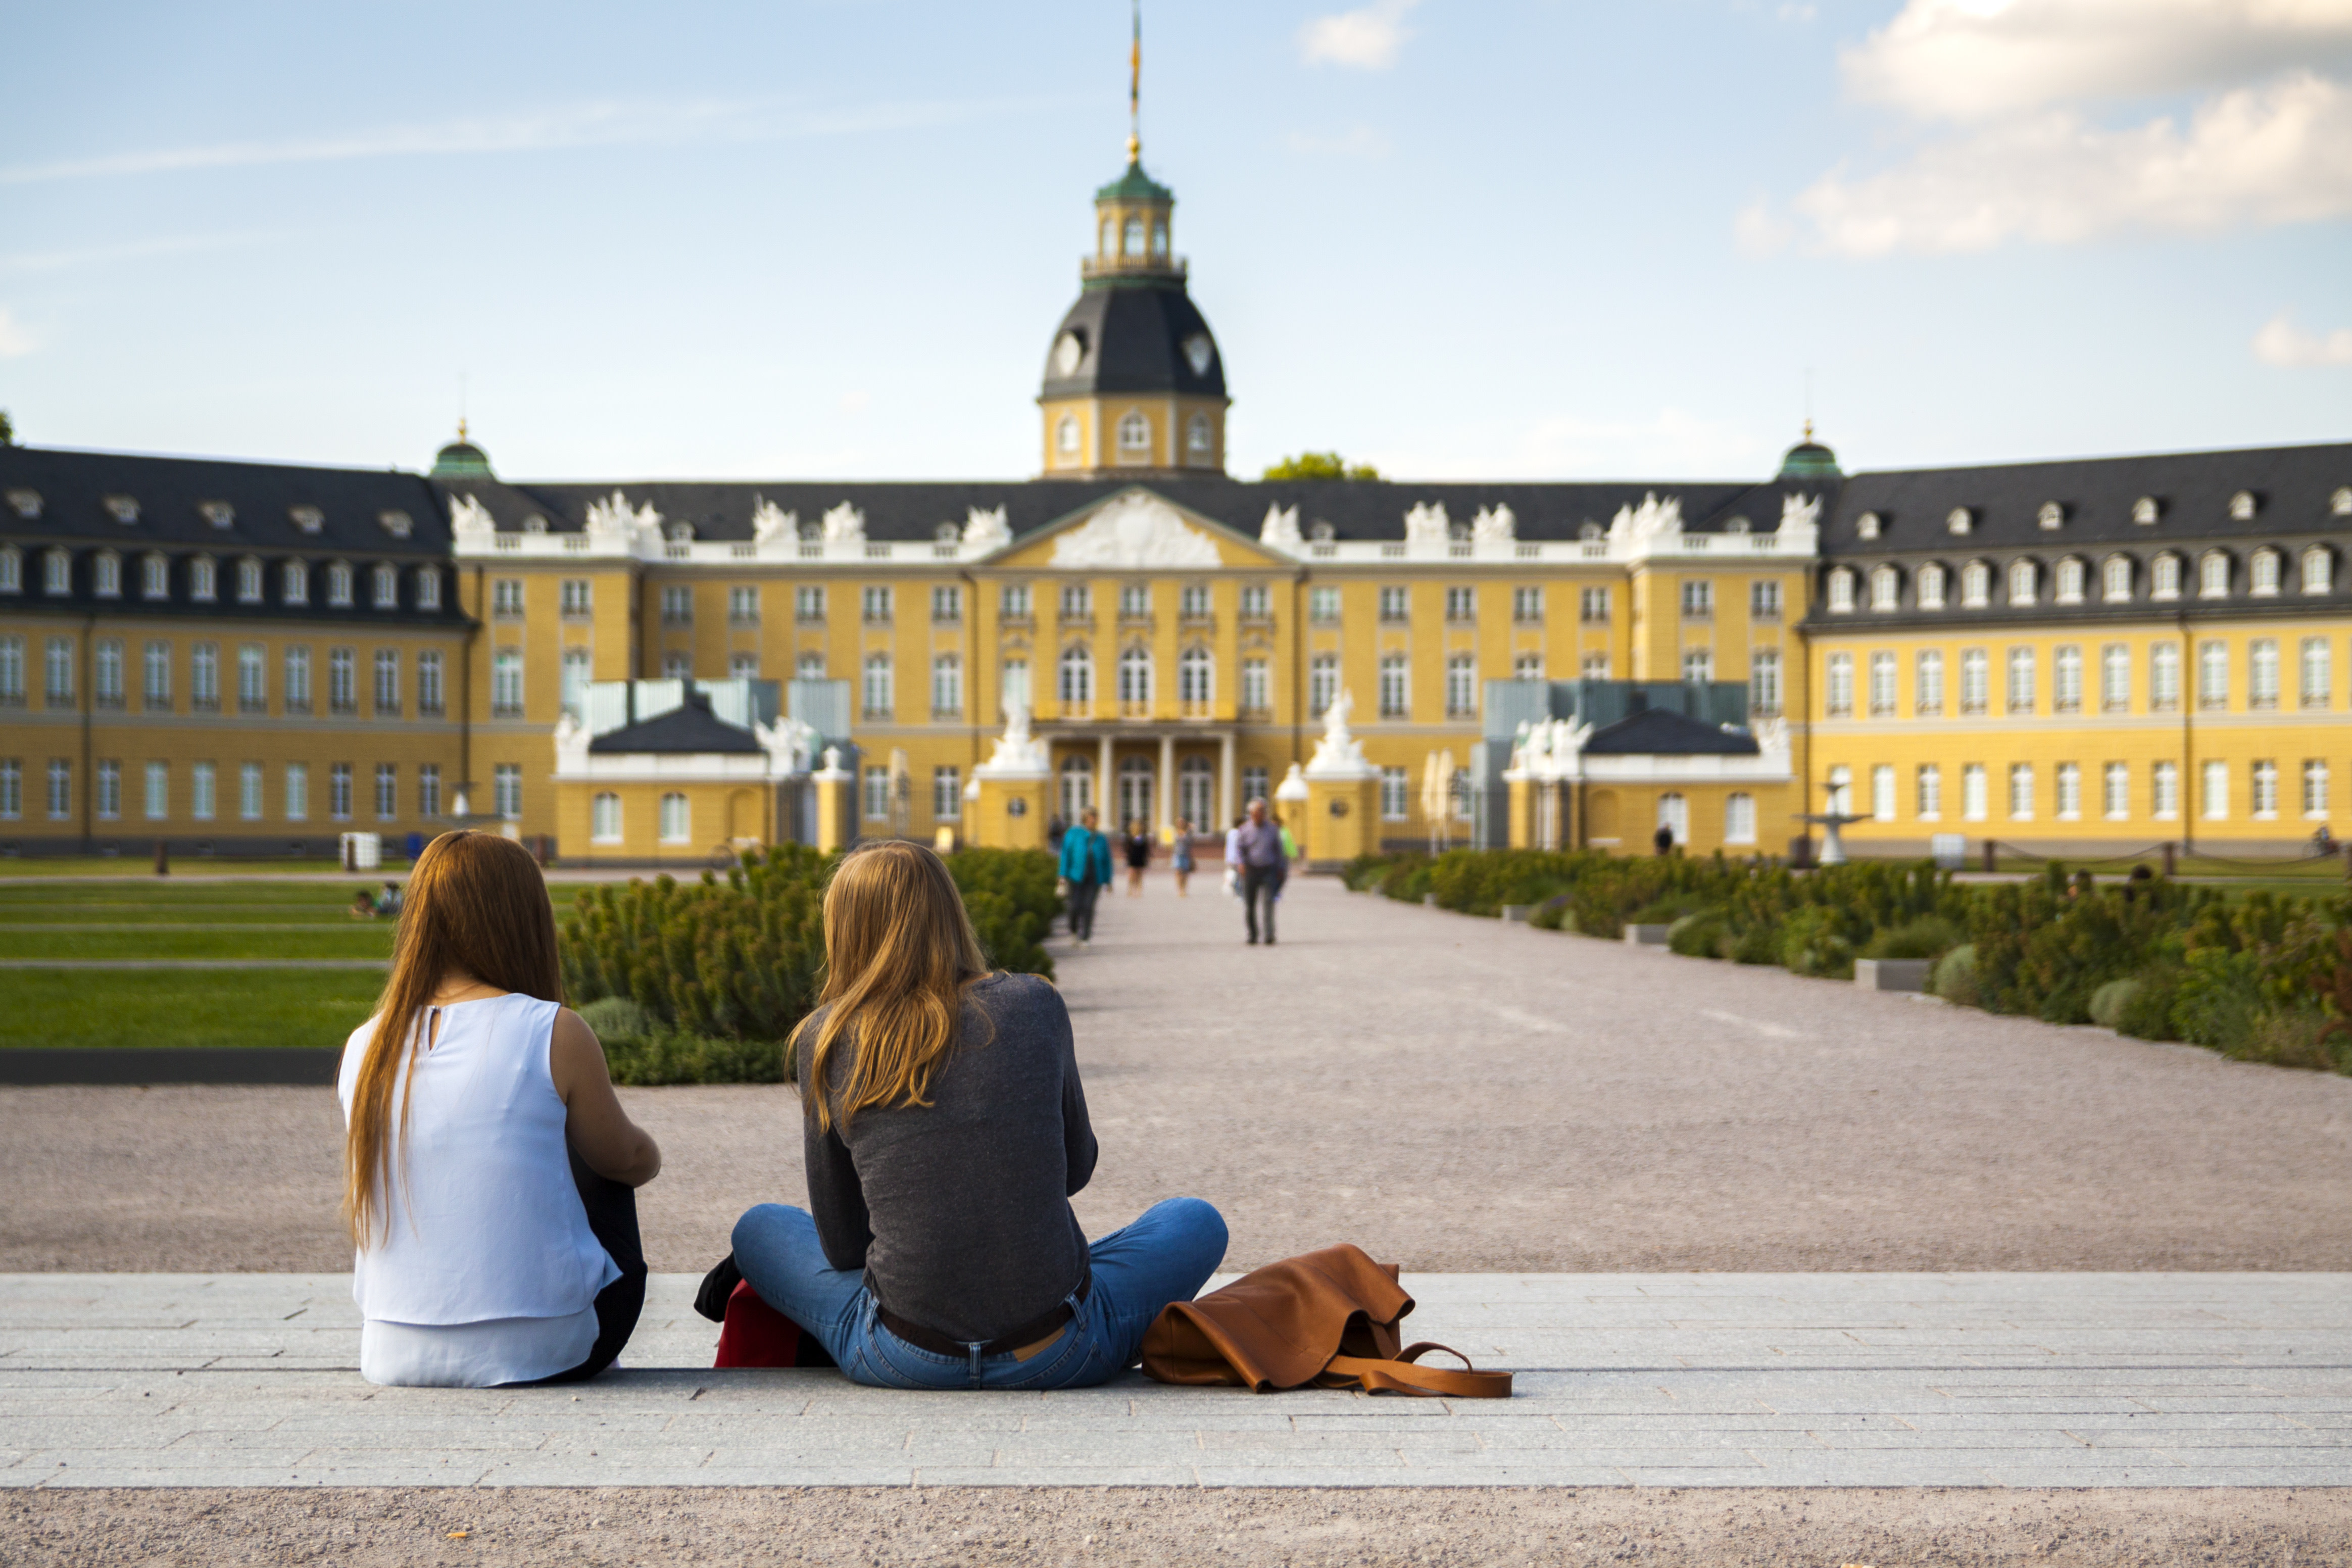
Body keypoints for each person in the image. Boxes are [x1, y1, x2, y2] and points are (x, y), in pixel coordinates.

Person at [727, 841, 1226, 1389]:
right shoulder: (1033, 1003)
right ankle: (1110, 1330)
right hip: (1058, 1348)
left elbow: (843, 1244)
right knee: (1194, 1218)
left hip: (901, 1352)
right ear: (948, 911)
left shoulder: (826, 1036)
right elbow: (1076, 1168)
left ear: (844, 928)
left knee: (760, 1226)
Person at [336, 830, 660, 1388]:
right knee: (598, 1156)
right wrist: (647, 1153)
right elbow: (627, 1158)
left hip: (391, 1350)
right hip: (551, 1348)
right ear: (521, 917)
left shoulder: (366, 1043)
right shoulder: (552, 1029)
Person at [1233, 797, 1288, 946]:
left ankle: (1269, 935)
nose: (1260, 815)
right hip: (1251, 870)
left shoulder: (1272, 829)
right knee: (1250, 905)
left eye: (1262, 812)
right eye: (1257, 812)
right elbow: (1240, 850)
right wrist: (1241, 864)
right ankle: (1253, 934)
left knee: (1269, 903)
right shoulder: (1245, 830)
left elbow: (1279, 851)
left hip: (1268, 870)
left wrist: (1281, 868)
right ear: (1251, 814)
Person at [1057, 808, 1112, 947]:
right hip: (1076, 876)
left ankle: (1085, 937)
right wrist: (1062, 875)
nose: (1092, 821)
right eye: (1089, 818)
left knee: (1088, 907)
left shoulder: (1101, 838)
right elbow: (1066, 855)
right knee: (1074, 907)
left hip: (1095, 878)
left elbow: (1107, 860)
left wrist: (1108, 880)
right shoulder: (1073, 834)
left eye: (1094, 818)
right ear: (1084, 819)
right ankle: (1074, 931)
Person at [1122, 820, 1152, 896]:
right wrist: (1127, 854)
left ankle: (1139, 890)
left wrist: (1149, 856)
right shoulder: (1130, 837)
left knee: (1140, 875)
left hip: (1140, 858)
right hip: (1132, 858)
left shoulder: (1143, 837)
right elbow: (1126, 848)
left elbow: (1146, 848)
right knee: (1132, 874)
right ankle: (1130, 889)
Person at [1170, 819, 1195, 896]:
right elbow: (1172, 844)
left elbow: (1191, 842)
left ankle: (1184, 890)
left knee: (1185, 873)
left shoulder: (1188, 833)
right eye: (1179, 822)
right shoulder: (1175, 832)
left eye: (1182, 822)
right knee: (1178, 872)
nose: (1180, 824)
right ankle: (1180, 890)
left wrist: (1190, 830)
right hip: (1177, 855)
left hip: (1186, 855)